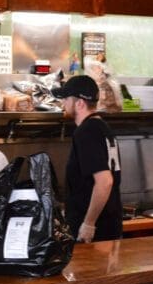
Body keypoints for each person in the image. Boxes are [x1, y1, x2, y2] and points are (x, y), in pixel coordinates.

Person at [52, 75, 123, 243]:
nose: (63, 103)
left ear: (80, 103)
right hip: (109, 225)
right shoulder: (102, 127)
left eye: (66, 98)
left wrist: (89, 224)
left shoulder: (87, 131)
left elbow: (105, 181)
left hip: (96, 233)